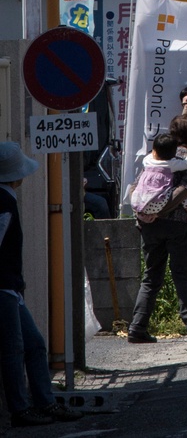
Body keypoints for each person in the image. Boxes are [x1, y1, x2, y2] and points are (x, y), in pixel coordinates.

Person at [0, 142, 83, 427]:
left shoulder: (5, 198)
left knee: (33, 345)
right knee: (15, 349)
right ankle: (21, 409)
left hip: (11, 287)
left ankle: (44, 402)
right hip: (3, 287)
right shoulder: (4, 201)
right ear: (15, 175)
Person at [127, 120, 187, 342]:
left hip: (147, 224)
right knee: (183, 274)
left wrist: (144, 213)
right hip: (176, 223)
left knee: (151, 276)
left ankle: (137, 326)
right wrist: (163, 211)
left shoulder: (155, 155)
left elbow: (136, 185)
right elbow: (184, 189)